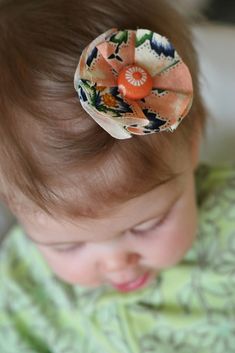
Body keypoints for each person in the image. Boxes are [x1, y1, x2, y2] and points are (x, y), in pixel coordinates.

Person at [0, 0, 234, 352]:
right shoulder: (21, 283)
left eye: (146, 225)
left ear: (192, 145)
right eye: (67, 246)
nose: (115, 263)